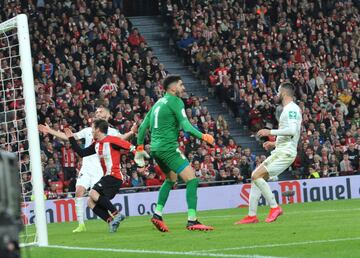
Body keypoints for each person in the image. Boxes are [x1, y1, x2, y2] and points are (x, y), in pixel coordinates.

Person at [135, 75, 215, 232]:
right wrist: (204, 136)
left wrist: (139, 148)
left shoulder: (157, 104)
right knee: (192, 180)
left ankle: (157, 214)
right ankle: (192, 220)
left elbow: (143, 126)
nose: (183, 88)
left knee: (171, 180)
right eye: (180, 85)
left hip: (156, 150)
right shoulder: (176, 101)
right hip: (168, 148)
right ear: (172, 88)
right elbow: (186, 126)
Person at [38, 107, 137, 233]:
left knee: (93, 199)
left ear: (108, 115)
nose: (97, 113)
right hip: (86, 167)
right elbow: (69, 137)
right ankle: (82, 224)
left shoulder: (111, 132)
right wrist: (50, 130)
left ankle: (114, 217)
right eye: (96, 112)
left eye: (100, 112)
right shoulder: (88, 131)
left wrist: (131, 133)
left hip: (101, 170)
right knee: (79, 191)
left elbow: (122, 140)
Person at [235, 82, 302, 224]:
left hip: (286, 153)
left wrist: (269, 132)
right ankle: (252, 215)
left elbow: (292, 131)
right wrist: (274, 143)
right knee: (256, 178)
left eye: (278, 91)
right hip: (282, 149)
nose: (276, 95)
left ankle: (275, 207)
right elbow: (289, 136)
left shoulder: (292, 109)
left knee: (256, 175)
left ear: (283, 93)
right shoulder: (288, 109)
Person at [64, 119, 135, 233]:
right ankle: (111, 221)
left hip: (115, 176)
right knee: (90, 202)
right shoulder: (96, 144)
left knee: (92, 192)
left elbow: (131, 147)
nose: (91, 131)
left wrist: (140, 163)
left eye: (92, 128)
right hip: (107, 177)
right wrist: (71, 138)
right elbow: (81, 153)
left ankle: (117, 214)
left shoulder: (112, 140)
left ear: (97, 129)